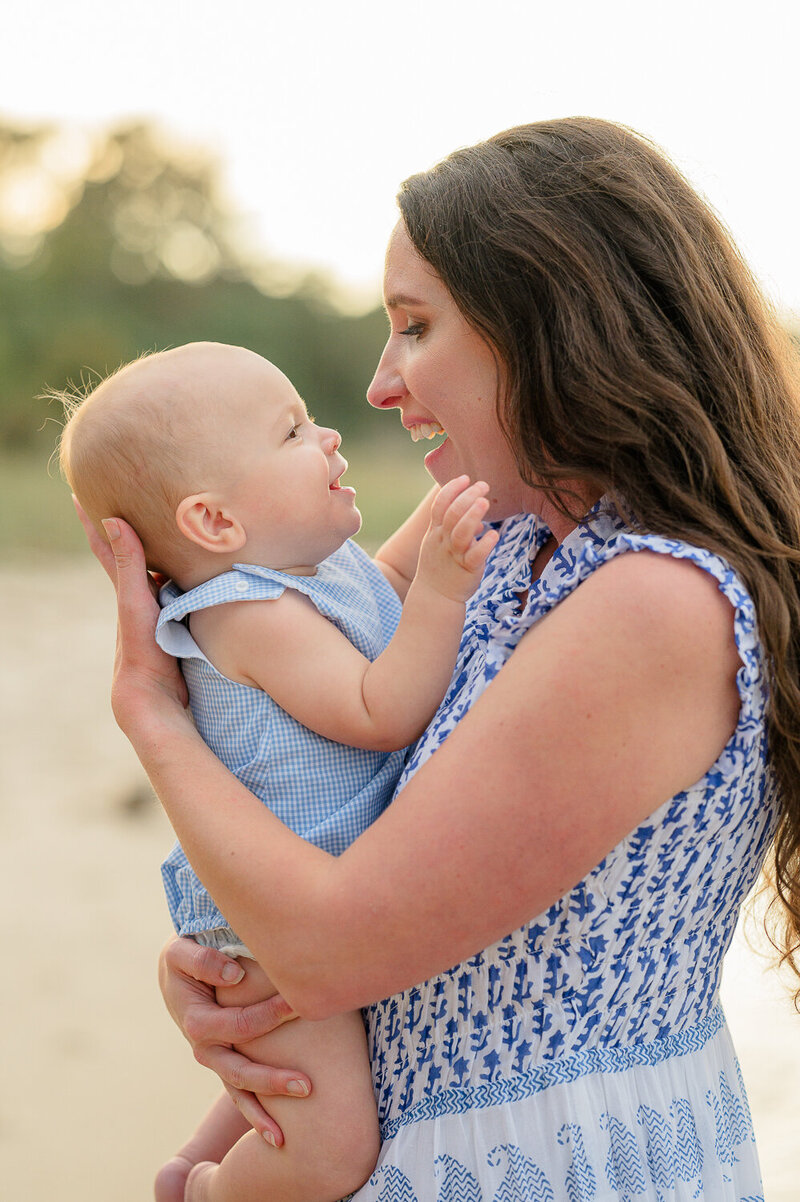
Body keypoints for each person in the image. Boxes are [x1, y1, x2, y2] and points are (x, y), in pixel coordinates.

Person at [77, 118, 800, 1202]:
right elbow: (290, 755)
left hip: (556, 1162)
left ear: (551, 326)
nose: (376, 384)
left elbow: (331, 945)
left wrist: (150, 714)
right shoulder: (494, 534)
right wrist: (233, 979)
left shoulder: (653, 601)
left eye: (414, 327)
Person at [59, 342, 498, 1202]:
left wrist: (453, 510)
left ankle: (195, 1153)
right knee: (328, 1142)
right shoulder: (247, 616)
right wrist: (446, 592)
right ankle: (210, 1193)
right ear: (216, 524)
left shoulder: (310, 569)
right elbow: (378, 712)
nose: (331, 436)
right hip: (272, 915)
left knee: (305, 1065)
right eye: (293, 430)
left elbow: (389, 580)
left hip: (320, 878)